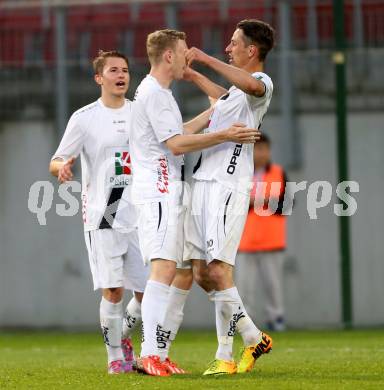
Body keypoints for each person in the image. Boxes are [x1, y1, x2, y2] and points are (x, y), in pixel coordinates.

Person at [129, 29, 259, 377]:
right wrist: (224, 134)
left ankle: (158, 352)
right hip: (157, 189)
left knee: (176, 271)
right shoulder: (155, 94)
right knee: (163, 270)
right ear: (169, 55)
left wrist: (213, 117)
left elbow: (178, 130)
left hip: (167, 189)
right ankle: (150, 354)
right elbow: (175, 145)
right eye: (184, 49)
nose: (188, 54)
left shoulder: (158, 93)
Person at [181, 19, 276, 375]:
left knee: (219, 270)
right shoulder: (235, 94)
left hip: (227, 185)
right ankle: (237, 346)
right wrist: (193, 77)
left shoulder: (261, 83)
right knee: (204, 272)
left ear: (252, 50)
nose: (228, 48)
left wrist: (203, 58)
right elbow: (223, 98)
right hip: (204, 182)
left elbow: (249, 85)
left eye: (234, 43)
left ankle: (235, 349)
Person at [49, 50, 148, 374]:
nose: (121, 75)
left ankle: (121, 334)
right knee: (113, 289)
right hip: (103, 214)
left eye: (125, 70)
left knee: (149, 293)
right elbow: (57, 159)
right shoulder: (85, 117)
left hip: (139, 212)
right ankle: (115, 357)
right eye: (113, 70)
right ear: (99, 78)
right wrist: (62, 168)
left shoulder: (140, 113)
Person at [236, 133, 288, 332]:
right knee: (245, 289)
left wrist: (259, 200)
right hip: (245, 241)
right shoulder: (241, 174)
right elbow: (234, 204)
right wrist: (262, 200)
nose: (261, 153)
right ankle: (246, 325)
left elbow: (286, 203)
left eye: (265, 149)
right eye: (257, 149)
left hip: (272, 240)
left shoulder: (278, 172)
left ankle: (276, 319)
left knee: (273, 287)